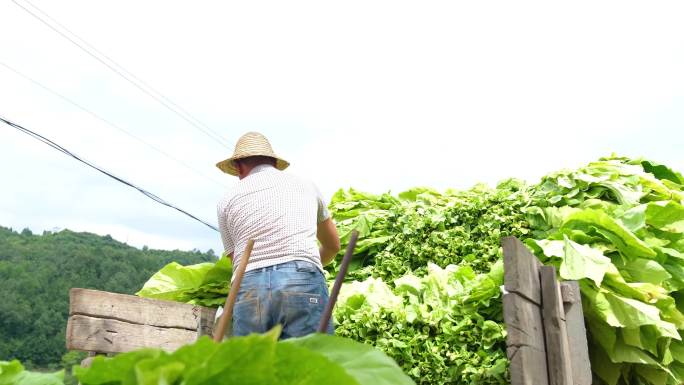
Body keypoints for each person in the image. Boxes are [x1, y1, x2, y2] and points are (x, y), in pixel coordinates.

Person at [215, 131, 341, 339]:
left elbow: (236, 262)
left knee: (255, 366)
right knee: (309, 363)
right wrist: (307, 264)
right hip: (300, 278)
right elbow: (333, 245)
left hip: (250, 286)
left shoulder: (226, 201)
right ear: (274, 162)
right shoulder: (306, 186)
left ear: (238, 166)